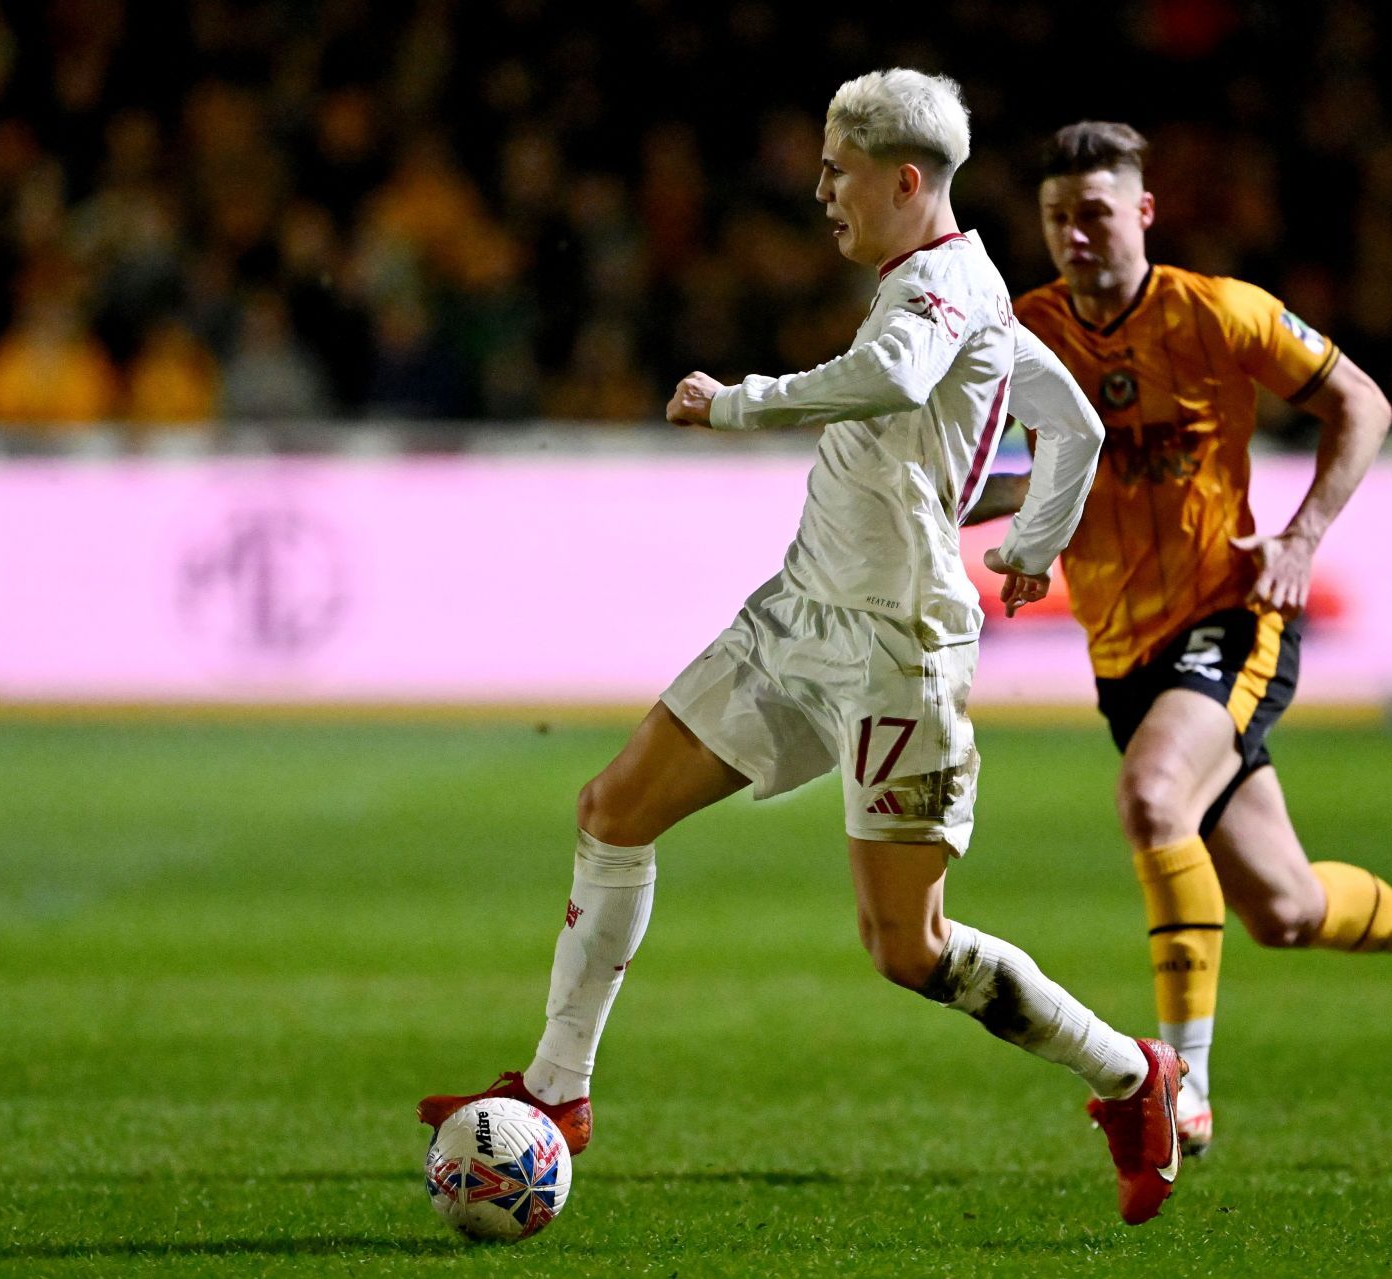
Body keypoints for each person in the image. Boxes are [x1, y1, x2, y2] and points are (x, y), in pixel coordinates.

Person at [421, 73, 1189, 1226]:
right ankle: (559, 1090)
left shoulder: (932, 293)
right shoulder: (965, 282)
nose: (822, 189)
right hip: (798, 615)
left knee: (907, 947)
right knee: (611, 808)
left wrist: (740, 403)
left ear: (905, 180)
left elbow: (894, 376)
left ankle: (1136, 1076)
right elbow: (1071, 425)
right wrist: (1034, 541)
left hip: (898, 651)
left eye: (838, 170)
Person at [967, 121, 1392, 1159]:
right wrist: (992, 520)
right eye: (1058, 218)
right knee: (1284, 905)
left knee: (1151, 799)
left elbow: (1359, 401)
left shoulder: (1216, 311)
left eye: (1096, 213)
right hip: (1123, 655)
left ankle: (1182, 1086)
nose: (1076, 236)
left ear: (1144, 211)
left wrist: (1304, 537)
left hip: (1231, 617)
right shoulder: (1025, 331)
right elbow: (1012, 469)